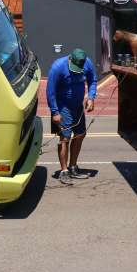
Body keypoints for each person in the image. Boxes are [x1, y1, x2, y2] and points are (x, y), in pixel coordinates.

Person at [46, 48, 97, 184]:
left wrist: (91, 97)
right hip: (63, 107)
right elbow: (50, 91)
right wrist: (55, 112)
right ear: (70, 59)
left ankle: (73, 166)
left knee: (80, 134)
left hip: (78, 107)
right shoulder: (58, 67)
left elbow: (92, 81)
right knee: (65, 138)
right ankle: (64, 171)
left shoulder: (87, 63)